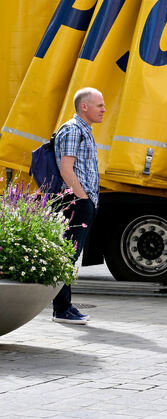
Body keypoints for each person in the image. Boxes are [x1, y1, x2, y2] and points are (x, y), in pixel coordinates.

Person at [50, 87, 106, 325]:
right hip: (76, 202)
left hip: (82, 200)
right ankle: (61, 309)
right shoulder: (73, 131)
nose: (104, 109)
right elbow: (66, 169)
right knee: (67, 256)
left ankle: (64, 306)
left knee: (70, 256)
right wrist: (83, 199)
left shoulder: (84, 130)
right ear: (85, 107)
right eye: (99, 105)